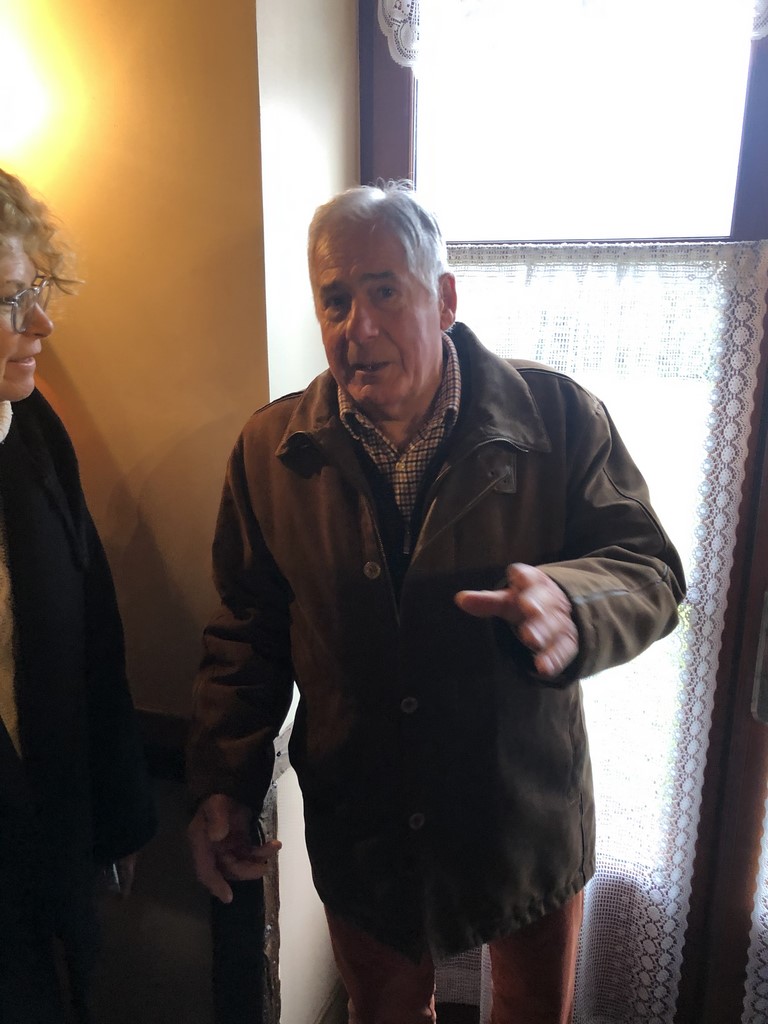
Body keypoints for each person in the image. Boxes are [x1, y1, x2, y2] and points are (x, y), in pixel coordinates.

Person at [187, 181, 686, 1024]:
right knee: (382, 1009)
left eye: (385, 291)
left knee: (532, 1011)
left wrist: (571, 599)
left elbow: (650, 569)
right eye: (335, 299)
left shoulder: (558, 416)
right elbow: (248, 628)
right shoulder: (272, 450)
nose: (358, 327)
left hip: (521, 812)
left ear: (445, 299)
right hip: (363, 824)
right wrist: (223, 777)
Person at [0, 169, 156, 1023]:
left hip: (51, 835)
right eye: (8, 301)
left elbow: (93, 628)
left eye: (36, 291)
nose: (41, 324)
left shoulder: (32, 430)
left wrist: (117, 817)